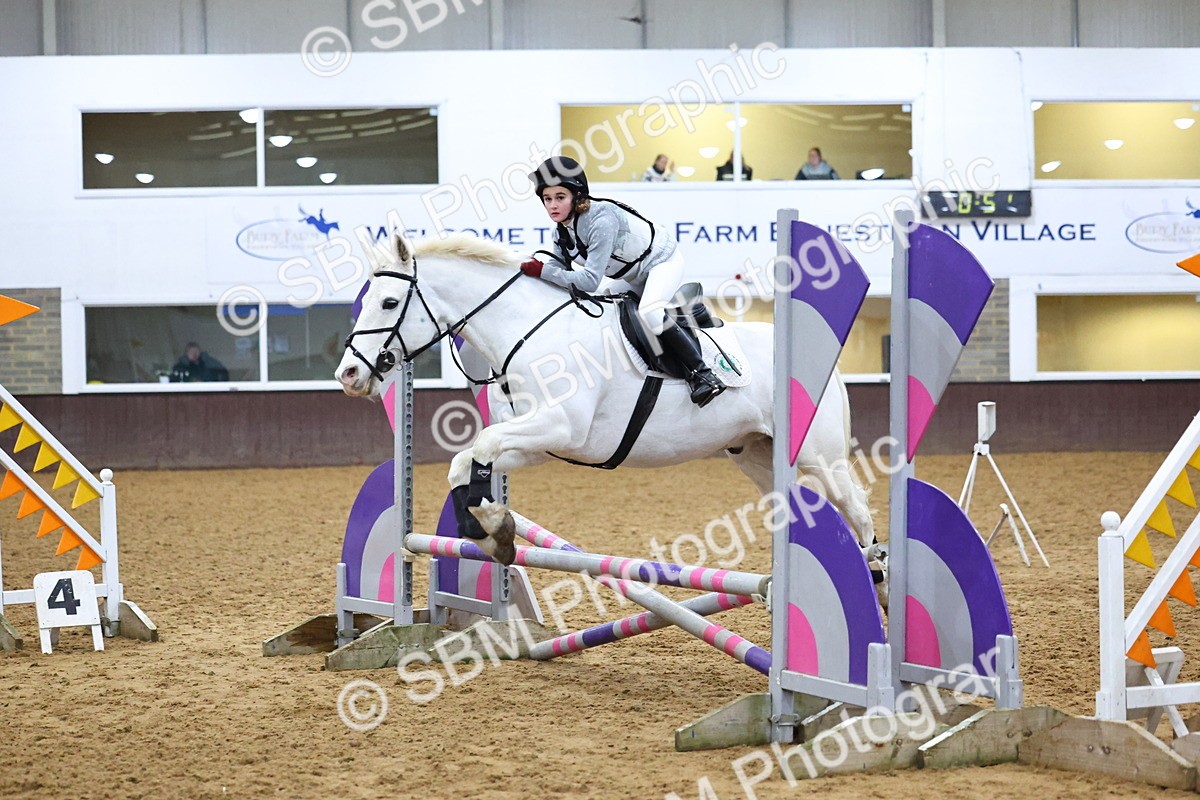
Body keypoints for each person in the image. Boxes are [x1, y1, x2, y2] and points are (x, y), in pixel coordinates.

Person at [519, 156, 724, 407]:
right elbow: (556, 272)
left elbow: (588, 281)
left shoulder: (601, 219)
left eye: (560, 197)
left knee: (649, 312)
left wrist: (541, 272)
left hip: (661, 262)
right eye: (547, 199)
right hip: (632, 275)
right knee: (602, 311)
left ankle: (703, 374)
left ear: (578, 196)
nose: (552, 205)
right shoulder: (561, 231)